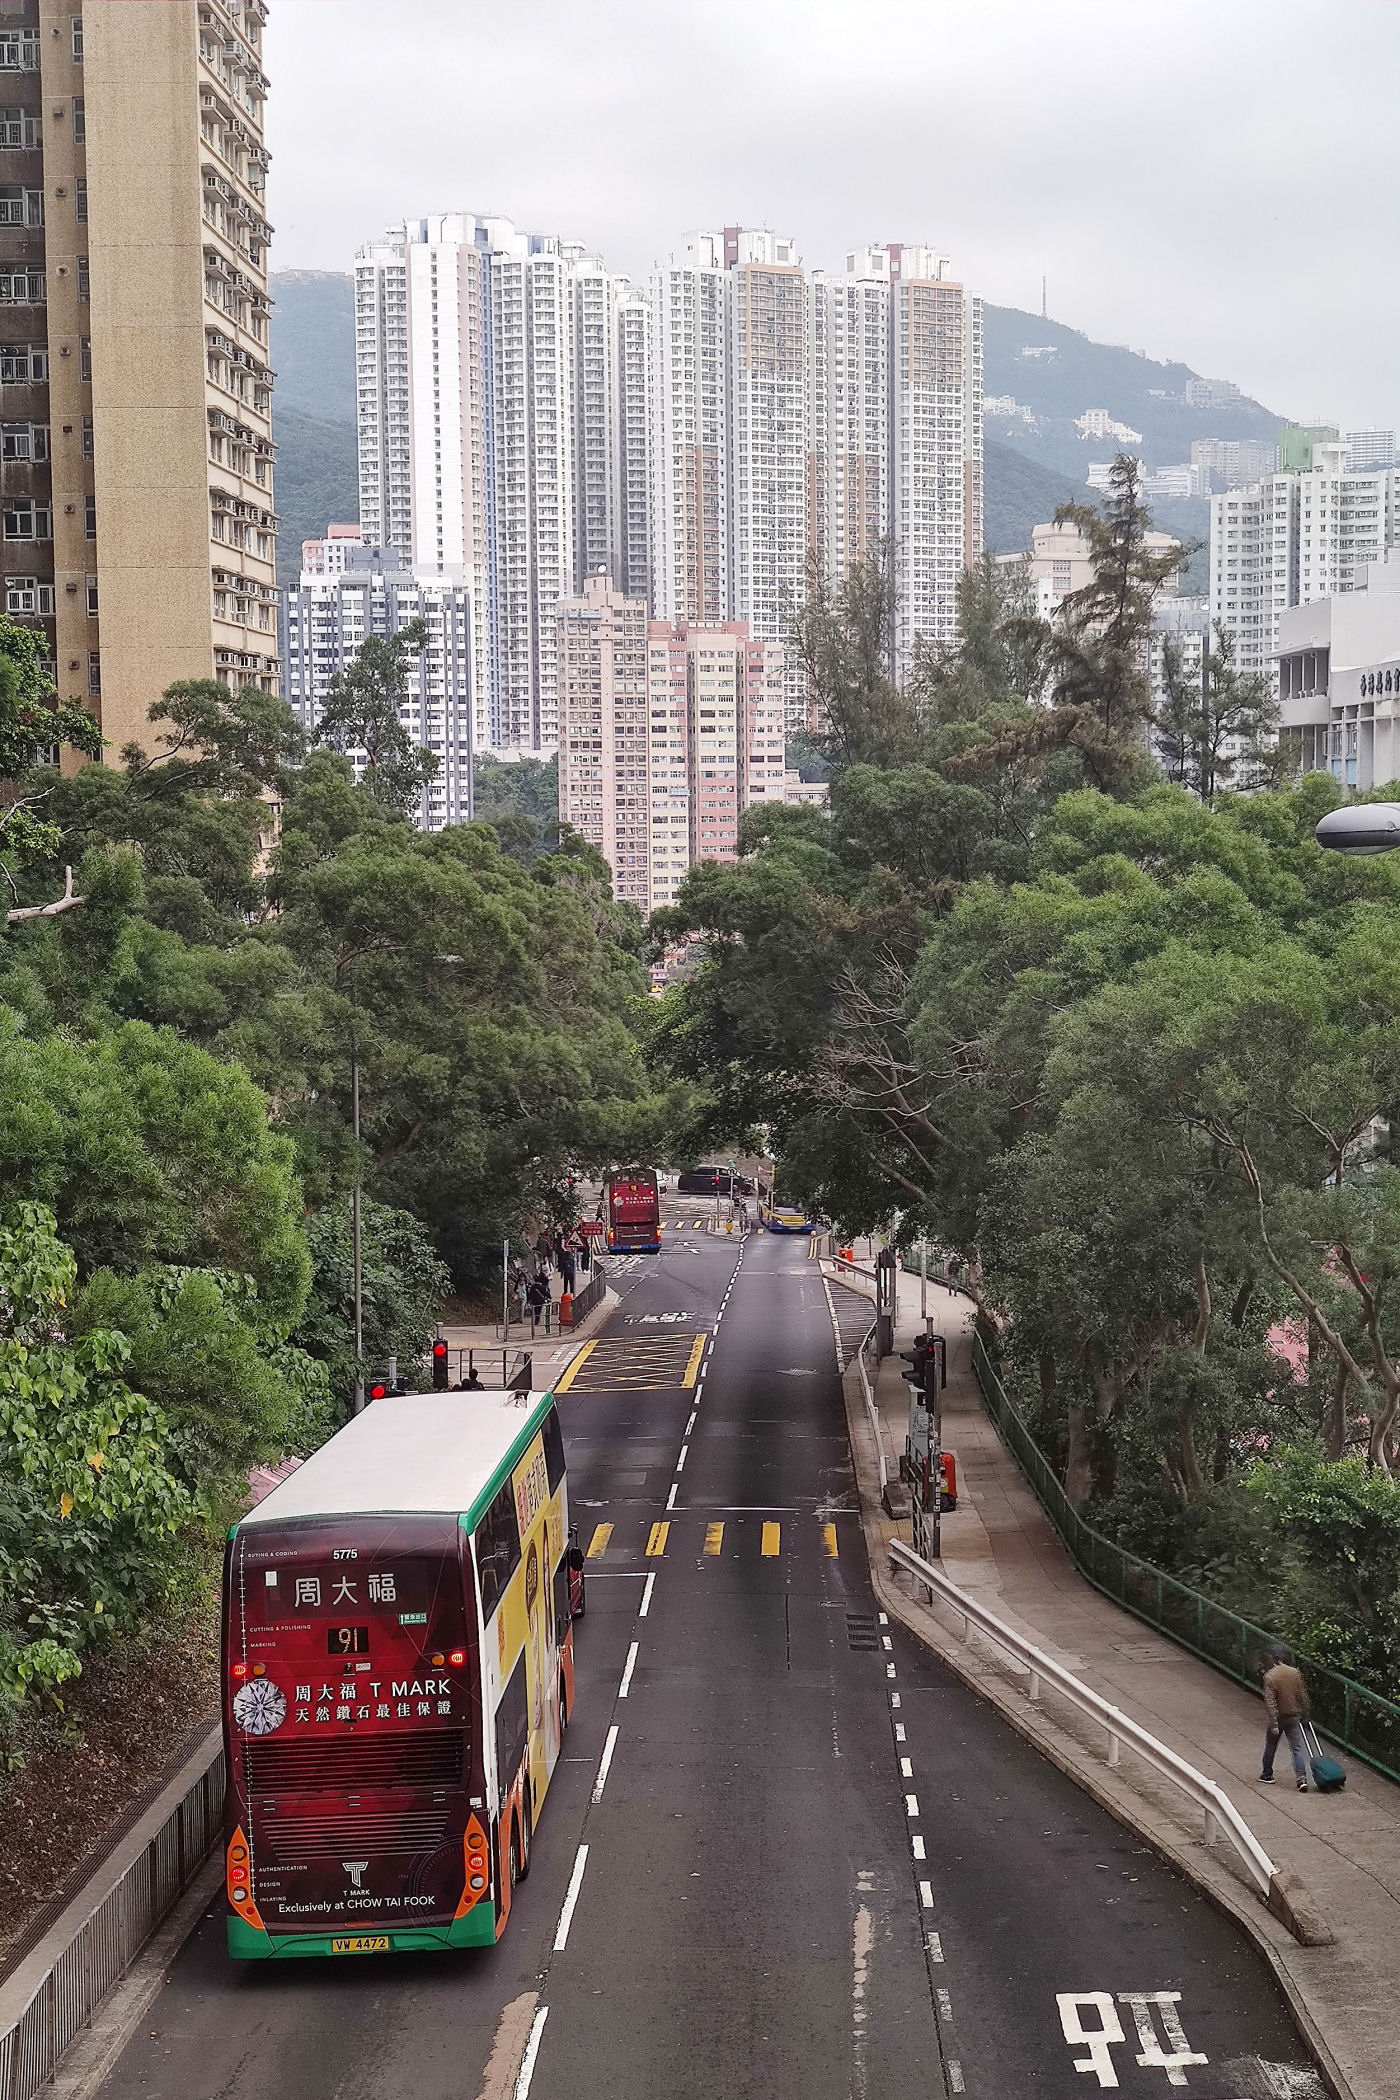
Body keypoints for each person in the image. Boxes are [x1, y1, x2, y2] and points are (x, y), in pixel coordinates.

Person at [1261, 1645, 1311, 1789]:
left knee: (1271, 1745)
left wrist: (1274, 1722)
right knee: (1296, 1748)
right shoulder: (1295, 1673)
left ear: (1271, 1658)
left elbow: (1270, 1701)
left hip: (1279, 1717)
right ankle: (1301, 1778)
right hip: (1293, 1716)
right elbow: (1302, 1695)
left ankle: (1267, 1774)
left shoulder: (1270, 1676)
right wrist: (1304, 1712)